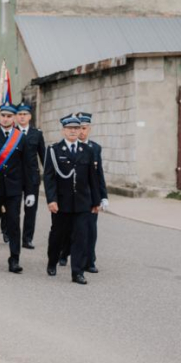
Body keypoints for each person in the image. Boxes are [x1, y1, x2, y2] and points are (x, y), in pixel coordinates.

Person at [44, 114, 101, 285]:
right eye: (70, 129)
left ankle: (77, 272)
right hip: (62, 203)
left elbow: (93, 177)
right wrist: (51, 200)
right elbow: (49, 178)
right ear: (63, 130)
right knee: (58, 235)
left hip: (83, 202)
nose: (73, 131)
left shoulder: (88, 150)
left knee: (81, 237)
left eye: (76, 128)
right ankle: (52, 261)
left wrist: (96, 201)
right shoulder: (54, 150)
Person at [0, 103, 38, 274]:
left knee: (14, 224)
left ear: (13, 118)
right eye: (3, 116)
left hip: (14, 189)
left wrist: (30, 191)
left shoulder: (21, 138)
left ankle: (14, 259)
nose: (6, 119)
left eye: (9, 116)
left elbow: (28, 166)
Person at [77, 112, 109, 274]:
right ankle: (64, 253)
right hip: (74, 195)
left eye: (84, 128)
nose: (81, 132)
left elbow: (99, 174)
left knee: (91, 229)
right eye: (79, 128)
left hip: (91, 196)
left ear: (89, 129)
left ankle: (89, 261)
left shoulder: (95, 148)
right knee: (71, 229)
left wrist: (103, 196)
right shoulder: (71, 147)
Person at [16, 102, 46, 249]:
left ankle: (27, 238)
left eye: (24, 114)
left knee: (30, 209)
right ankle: (10, 232)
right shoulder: (12, 132)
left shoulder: (37, 134)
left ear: (29, 116)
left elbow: (43, 156)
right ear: (16, 116)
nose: (22, 117)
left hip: (32, 178)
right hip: (14, 177)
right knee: (13, 208)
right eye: (19, 114)